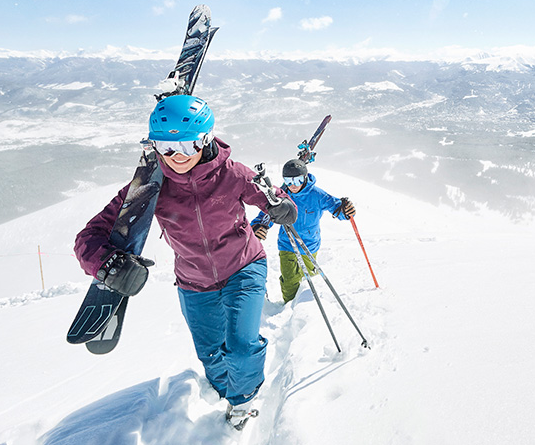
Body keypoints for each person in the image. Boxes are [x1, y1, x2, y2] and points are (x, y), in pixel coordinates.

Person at [74, 95, 297, 431]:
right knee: (211, 353)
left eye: (186, 144)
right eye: (166, 147)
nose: (176, 156)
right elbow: (89, 237)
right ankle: (224, 390)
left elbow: (273, 197)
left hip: (243, 266)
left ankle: (242, 402)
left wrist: (282, 206)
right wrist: (106, 264)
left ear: (205, 139)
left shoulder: (233, 175)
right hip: (194, 282)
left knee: (240, 346)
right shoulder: (149, 188)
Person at [250, 158, 356, 303]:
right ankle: (289, 306)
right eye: (288, 181)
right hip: (287, 244)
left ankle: (307, 308)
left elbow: (335, 206)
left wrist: (345, 210)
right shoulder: (281, 196)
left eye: (298, 180)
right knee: (289, 281)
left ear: (305, 177)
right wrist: (258, 227)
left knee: (309, 282)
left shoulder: (317, 194)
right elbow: (267, 214)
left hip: (309, 246)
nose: (293, 185)